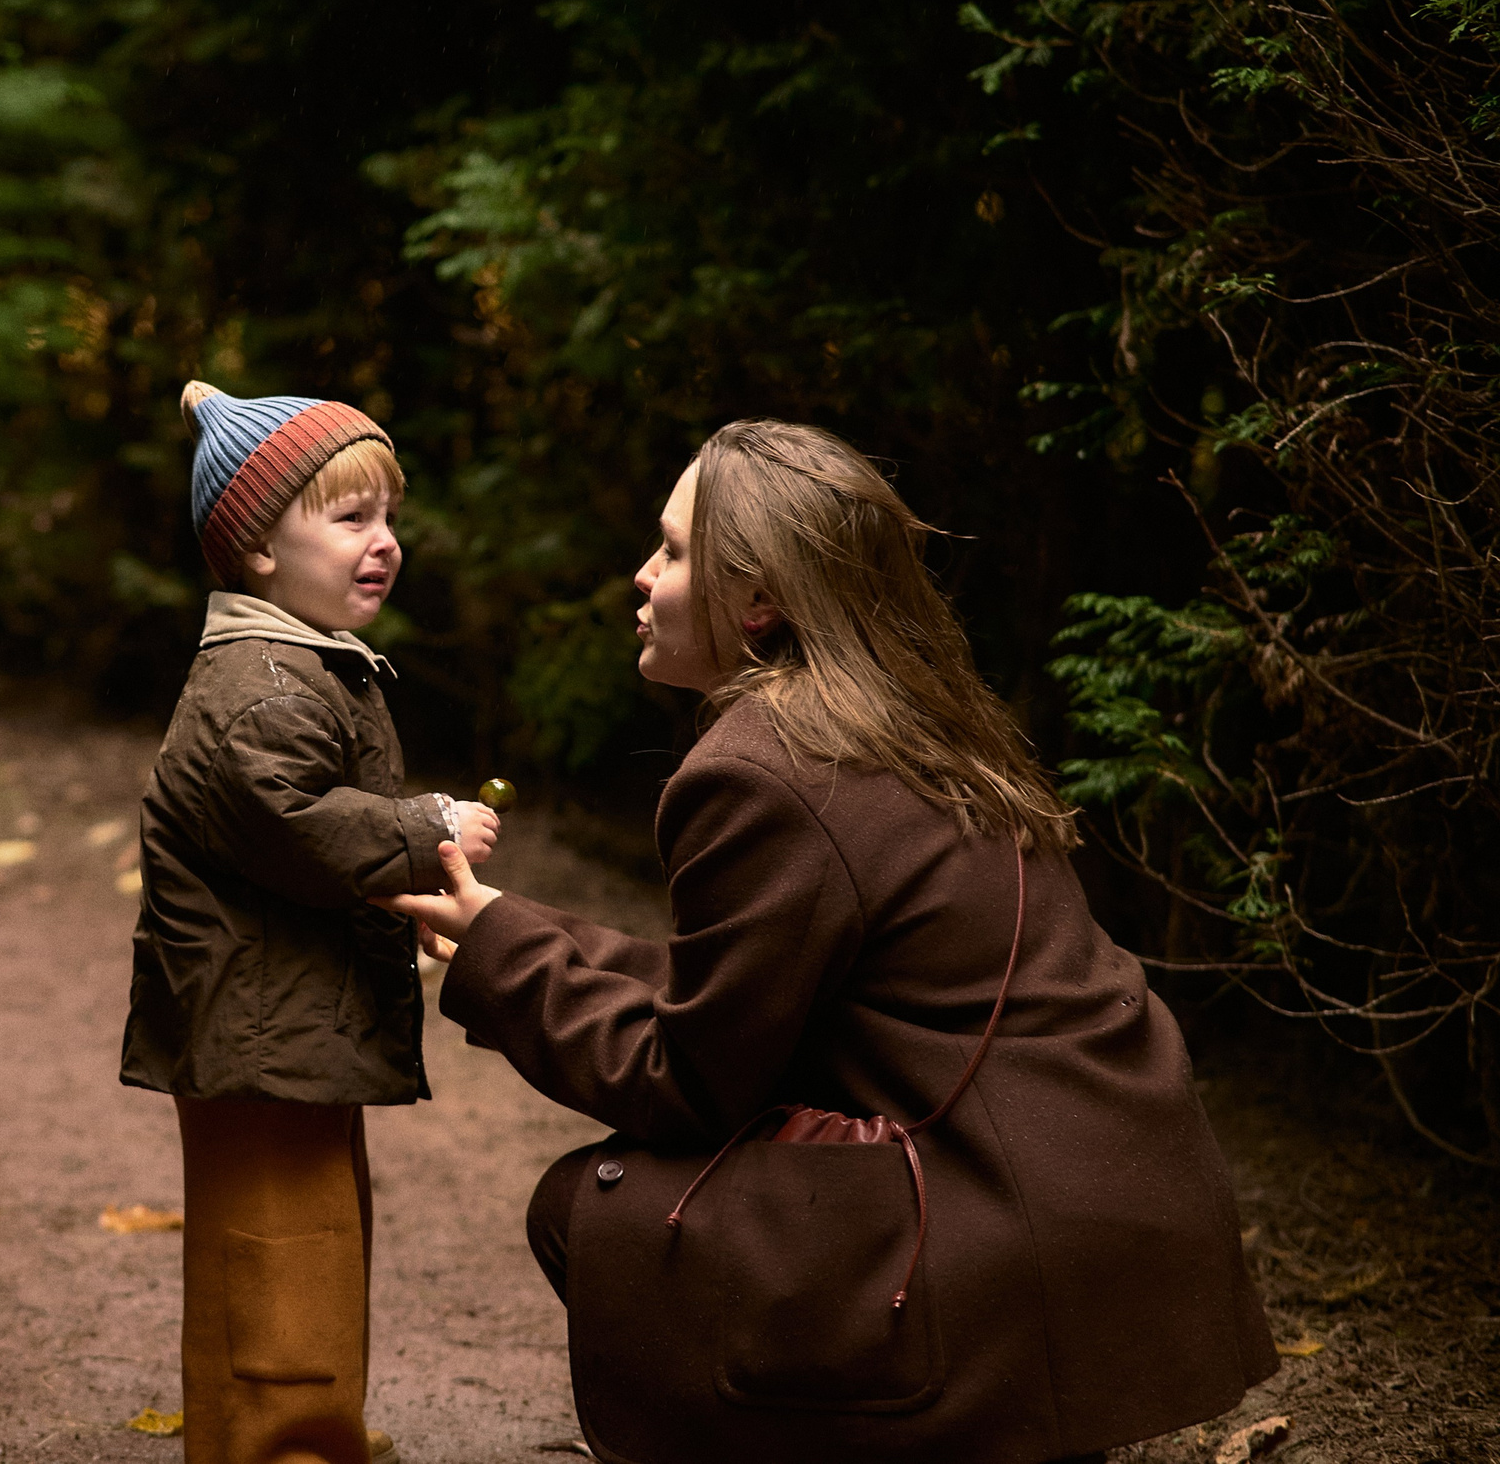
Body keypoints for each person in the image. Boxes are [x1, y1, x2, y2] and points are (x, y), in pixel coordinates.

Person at [374, 420, 1276, 1464]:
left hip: (1003, 1224)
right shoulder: (904, 714)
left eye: (671, 551)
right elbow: (751, 992)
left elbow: (691, 1080)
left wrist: (504, 962)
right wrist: (508, 930)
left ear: (756, 599)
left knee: (594, 1208)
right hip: (1104, 1202)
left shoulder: (758, 766)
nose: (641, 571)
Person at [123, 382, 503, 1464]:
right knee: (282, 1268)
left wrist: (408, 897)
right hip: (263, 1043)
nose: (383, 543)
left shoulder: (304, 659)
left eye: (388, 516)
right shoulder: (263, 684)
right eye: (349, 518)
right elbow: (291, 821)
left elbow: (291, 859)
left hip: (288, 1031)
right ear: (252, 549)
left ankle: (291, 1434)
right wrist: (424, 827)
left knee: (311, 1256)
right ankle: (284, 1443)